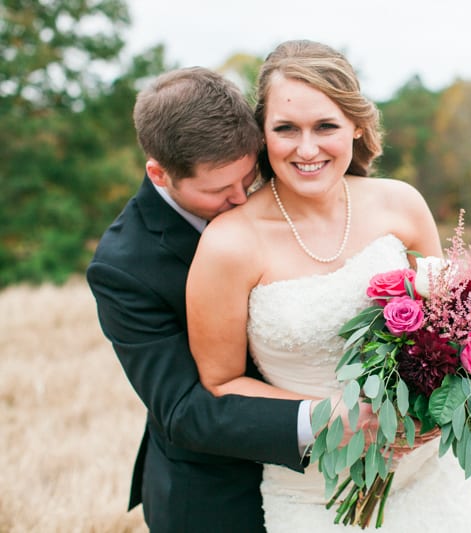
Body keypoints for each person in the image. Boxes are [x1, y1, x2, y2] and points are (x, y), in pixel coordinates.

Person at [186, 40, 471, 532]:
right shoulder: (229, 244)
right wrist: (332, 415)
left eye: (325, 126)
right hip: (316, 497)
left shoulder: (401, 205)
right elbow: (220, 385)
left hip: (435, 488)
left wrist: (441, 406)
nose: (307, 149)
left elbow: (451, 331)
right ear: (262, 135)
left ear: (357, 126)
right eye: (286, 129)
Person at [86, 67, 379, 532]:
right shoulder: (124, 268)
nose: (243, 200)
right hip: (216, 492)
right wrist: (324, 420)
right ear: (160, 174)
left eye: (249, 178)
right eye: (220, 191)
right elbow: (184, 410)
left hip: (350, 480)